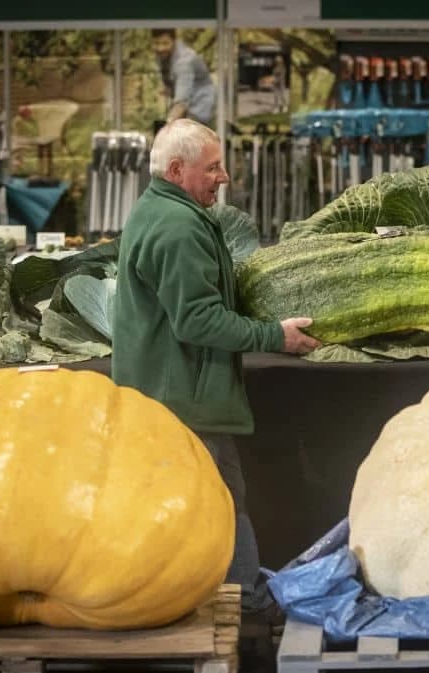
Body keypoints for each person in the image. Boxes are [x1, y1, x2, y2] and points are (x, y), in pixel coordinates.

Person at [112, 118, 320, 616]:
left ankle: (199, 601)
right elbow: (197, 320)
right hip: (185, 401)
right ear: (178, 169)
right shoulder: (178, 227)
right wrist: (276, 336)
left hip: (168, 394)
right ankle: (244, 604)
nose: (224, 177)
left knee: (194, 507)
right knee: (221, 504)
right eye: (213, 168)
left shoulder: (162, 210)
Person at [151, 29, 216, 125]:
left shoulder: (184, 62)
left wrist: (168, 125)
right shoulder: (163, 55)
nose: (161, 48)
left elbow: (181, 102)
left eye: (165, 43)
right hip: (186, 103)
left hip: (201, 106)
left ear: (174, 41)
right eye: (157, 43)